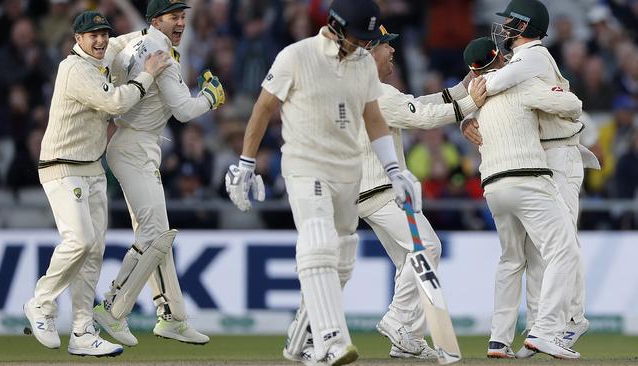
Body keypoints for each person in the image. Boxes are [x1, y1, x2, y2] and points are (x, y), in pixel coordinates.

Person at [226, 1, 422, 364]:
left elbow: (373, 117)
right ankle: (331, 338)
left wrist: (395, 170)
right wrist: (245, 163)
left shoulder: (362, 63)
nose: (363, 46)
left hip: (348, 171)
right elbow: (263, 109)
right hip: (305, 164)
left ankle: (300, 339)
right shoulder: (295, 56)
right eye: (358, 36)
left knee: (344, 257)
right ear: (335, 25)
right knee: (318, 242)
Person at [283, 25, 486, 361]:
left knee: (403, 261)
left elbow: (414, 105)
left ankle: (400, 338)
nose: (392, 51)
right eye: (385, 46)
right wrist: (467, 106)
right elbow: (420, 117)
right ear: (368, 52)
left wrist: (461, 89)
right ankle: (397, 321)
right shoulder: (376, 91)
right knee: (428, 248)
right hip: (379, 191)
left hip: (358, 191)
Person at [23, 11, 170, 357]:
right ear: (77, 39)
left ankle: (82, 331)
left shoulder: (102, 53)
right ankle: (42, 303)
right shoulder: (73, 68)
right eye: (93, 36)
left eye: (103, 34)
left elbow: (122, 41)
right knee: (80, 240)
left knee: (94, 253)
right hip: (62, 166)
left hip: (92, 167)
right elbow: (115, 101)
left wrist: (152, 30)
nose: (101, 40)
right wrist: (147, 76)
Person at [461, 0, 598, 357]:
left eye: (510, 22)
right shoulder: (520, 64)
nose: (503, 28)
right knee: (543, 251)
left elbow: (495, 81)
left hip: (560, 153)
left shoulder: (533, 56)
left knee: (562, 243)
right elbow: (490, 85)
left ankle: (570, 321)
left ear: (526, 26)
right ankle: (541, 327)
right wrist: (466, 117)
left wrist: (471, 98)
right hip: (540, 154)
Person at [92, 0, 225, 346]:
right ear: (156, 20)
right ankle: (112, 307)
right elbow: (184, 110)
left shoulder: (139, 40)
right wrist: (211, 97)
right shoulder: (159, 52)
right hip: (134, 149)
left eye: (183, 16)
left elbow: (116, 50)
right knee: (154, 235)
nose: (180, 23)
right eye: (173, 17)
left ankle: (172, 318)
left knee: (159, 238)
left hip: (135, 146)